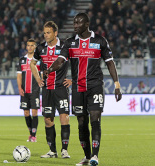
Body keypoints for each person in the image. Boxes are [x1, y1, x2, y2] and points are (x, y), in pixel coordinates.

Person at [44, 13, 122, 166]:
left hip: (95, 86)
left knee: (95, 118)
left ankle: (95, 156)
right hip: (78, 88)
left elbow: (110, 63)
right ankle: (87, 157)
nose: (75, 26)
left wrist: (117, 84)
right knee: (81, 122)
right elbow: (60, 60)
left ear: (87, 23)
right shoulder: (70, 42)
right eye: (74, 23)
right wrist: (50, 69)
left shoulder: (99, 41)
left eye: (78, 23)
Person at [30, 21, 71, 159]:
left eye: (48, 32)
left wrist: (73, 79)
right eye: (44, 33)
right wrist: (38, 79)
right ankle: (52, 151)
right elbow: (32, 63)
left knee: (64, 118)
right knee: (48, 120)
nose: (46, 35)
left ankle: (64, 150)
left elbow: (77, 62)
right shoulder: (41, 48)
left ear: (55, 33)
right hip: (47, 89)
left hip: (61, 88)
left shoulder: (65, 46)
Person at [17, 39, 42, 143]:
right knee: (26, 113)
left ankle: (33, 135)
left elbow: (42, 74)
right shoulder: (22, 60)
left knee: (34, 112)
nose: (30, 47)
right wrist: (19, 88)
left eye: (32, 45)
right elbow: (19, 76)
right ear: (26, 47)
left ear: (35, 47)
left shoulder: (39, 61)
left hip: (35, 90)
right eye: (28, 45)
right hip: (24, 91)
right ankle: (31, 133)